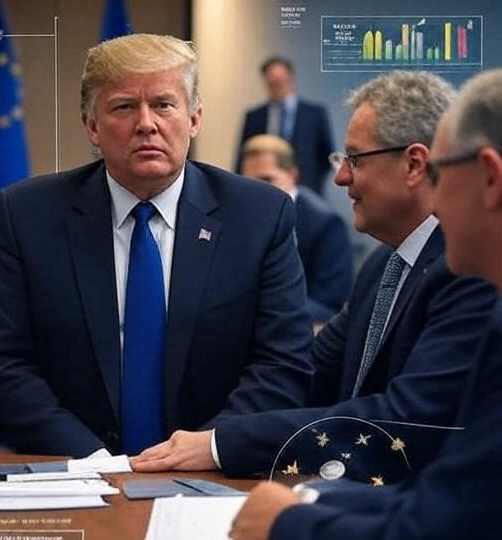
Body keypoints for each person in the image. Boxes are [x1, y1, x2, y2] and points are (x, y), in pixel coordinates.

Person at [230, 67, 502, 540]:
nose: (436, 204)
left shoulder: (477, 293)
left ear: (489, 178)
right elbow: (448, 503)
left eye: (442, 175)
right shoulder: (385, 264)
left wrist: (287, 527)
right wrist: (311, 496)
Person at [133, 71, 498, 479]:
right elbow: (305, 372)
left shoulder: (469, 269)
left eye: (354, 159)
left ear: (414, 164)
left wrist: (221, 445)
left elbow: (404, 419)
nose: (340, 178)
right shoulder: (383, 266)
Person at [0, 33, 313, 458]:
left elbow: (283, 363)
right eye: (124, 107)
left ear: (194, 118)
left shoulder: (260, 215)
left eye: (164, 105)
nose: (146, 123)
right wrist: (91, 459)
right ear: (92, 126)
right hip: (73, 466)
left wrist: (209, 448)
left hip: (214, 470)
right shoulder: (28, 215)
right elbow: (1, 363)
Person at [240, 134, 353, 325]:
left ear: (293, 175)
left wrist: (262, 308)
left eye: (267, 180)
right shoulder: (240, 217)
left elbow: (331, 303)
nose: (256, 191)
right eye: (248, 183)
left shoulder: (326, 224)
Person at [235, 56, 334, 194]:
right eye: (273, 82)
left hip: (306, 188)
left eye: (281, 81)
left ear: (290, 79)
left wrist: (311, 181)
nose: (278, 85)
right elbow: (244, 156)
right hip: (262, 190)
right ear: (265, 81)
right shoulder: (255, 116)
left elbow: (327, 156)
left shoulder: (314, 113)